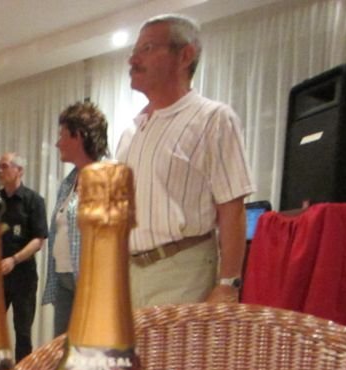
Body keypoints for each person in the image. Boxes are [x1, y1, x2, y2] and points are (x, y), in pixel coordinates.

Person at [116, 13, 254, 309]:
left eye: (147, 49)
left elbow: (232, 207)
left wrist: (228, 285)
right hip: (129, 271)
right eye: (134, 51)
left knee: (175, 344)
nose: (133, 60)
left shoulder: (213, 119)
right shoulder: (131, 133)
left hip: (183, 270)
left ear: (185, 55)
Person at [41, 101, 110, 336]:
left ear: (78, 136)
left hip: (91, 284)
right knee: (63, 349)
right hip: (64, 278)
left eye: (62, 135)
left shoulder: (107, 177)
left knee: (89, 349)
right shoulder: (69, 181)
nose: (57, 143)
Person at [0, 153, 47, 361]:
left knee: (22, 331)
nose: (0, 171)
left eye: (4, 166)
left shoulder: (33, 201)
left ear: (19, 170)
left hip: (23, 276)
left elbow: (39, 239)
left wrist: (14, 259)